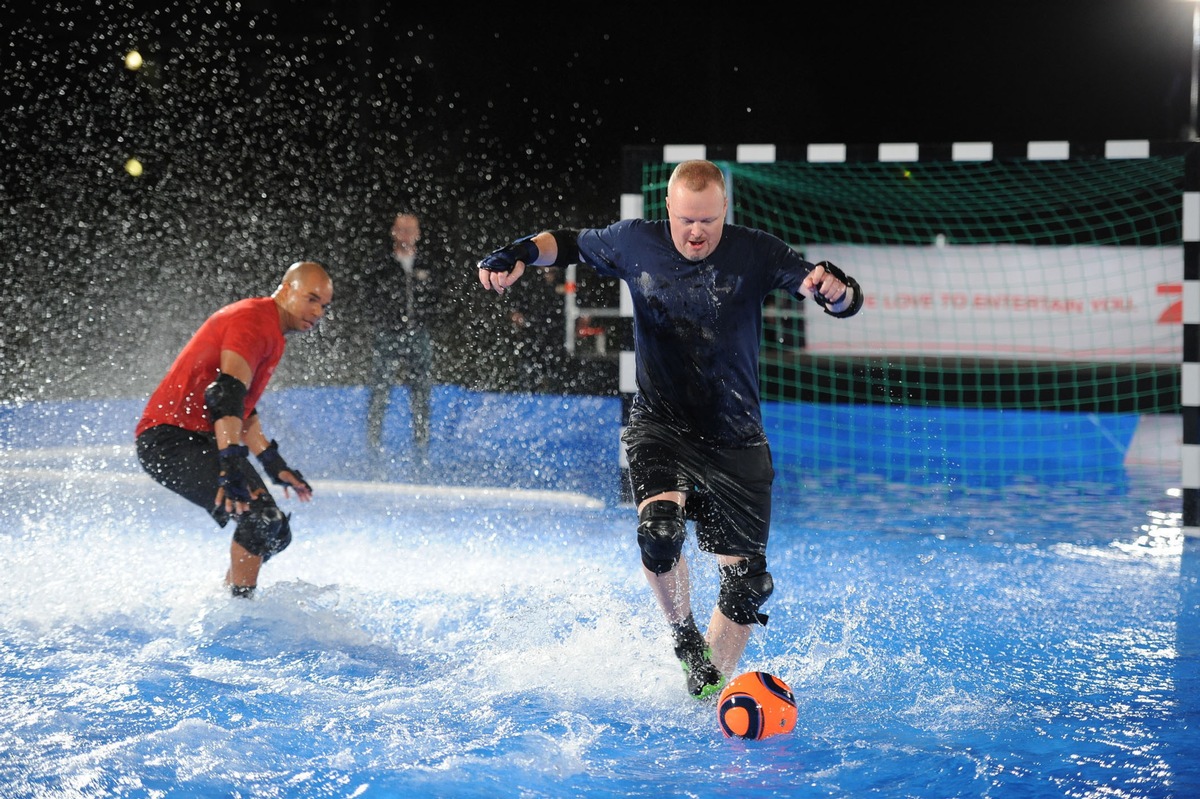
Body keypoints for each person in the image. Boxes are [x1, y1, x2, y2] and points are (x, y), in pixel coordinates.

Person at [477, 160, 863, 699]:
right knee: (659, 532)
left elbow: (835, 298)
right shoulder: (636, 242)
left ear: (725, 210)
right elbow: (564, 243)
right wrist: (517, 252)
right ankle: (684, 638)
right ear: (668, 211)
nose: (697, 232)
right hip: (662, 425)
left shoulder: (757, 251)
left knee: (749, 585)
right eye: (686, 220)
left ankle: (708, 691)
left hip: (736, 435)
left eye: (707, 220)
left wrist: (837, 289)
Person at [135, 261, 334, 598]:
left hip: (203, 439)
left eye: (324, 306)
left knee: (275, 531)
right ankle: (240, 611)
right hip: (168, 440)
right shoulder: (254, 320)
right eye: (311, 299)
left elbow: (241, 407)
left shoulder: (271, 330)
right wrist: (230, 465)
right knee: (259, 521)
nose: (318, 312)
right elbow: (224, 396)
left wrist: (273, 463)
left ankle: (228, 598)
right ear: (286, 289)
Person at [356, 211, 446, 471]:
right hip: (388, 333)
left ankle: (421, 450)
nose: (405, 235)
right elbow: (367, 297)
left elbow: (438, 297)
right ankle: (373, 449)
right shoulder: (381, 264)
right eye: (401, 230)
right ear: (393, 233)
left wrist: (425, 320)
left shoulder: (427, 264)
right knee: (379, 391)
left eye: (410, 230)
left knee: (421, 393)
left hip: (418, 334)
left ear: (418, 234)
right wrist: (383, 321)